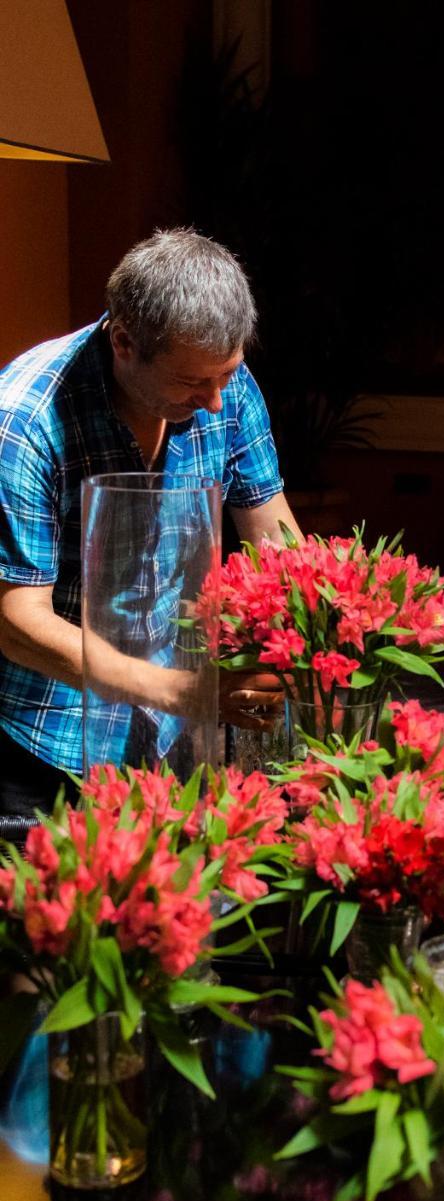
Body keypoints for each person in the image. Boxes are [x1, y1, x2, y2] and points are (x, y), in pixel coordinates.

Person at [0, 228, 302, 815]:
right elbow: (16, 623)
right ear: (124, 342)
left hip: (166, 728)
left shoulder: (221, 379)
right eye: (193, 382)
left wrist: (313, 636)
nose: (216, 400)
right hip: (47, 733)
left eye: (227, 374)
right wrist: (186, 693)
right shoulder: (22, 422)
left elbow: (275, 537)